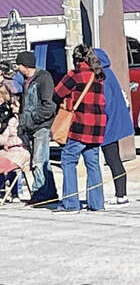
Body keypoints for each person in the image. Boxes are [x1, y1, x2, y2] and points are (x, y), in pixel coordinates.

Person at [53, 44, 106, 212]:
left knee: (68, 160)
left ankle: (70, 203)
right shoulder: (98, 76)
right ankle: (97, 203)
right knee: (93, 163)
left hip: (79, 125)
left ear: (75, 59)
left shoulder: (75, 76)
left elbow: (57, 94)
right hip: (97, 127)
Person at [14, 50, 56, 204]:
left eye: (19, 64)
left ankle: (40, 194)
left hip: (41, 127)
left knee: (39, 161)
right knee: (42, 162)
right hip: (30, 127)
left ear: (26, 65)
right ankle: (50, 192)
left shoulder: (43, 79)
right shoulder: (26, 81)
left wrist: (32, 118)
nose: (17, 68)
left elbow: (49, 106)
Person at [95, 48, 134, 207]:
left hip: (109, 123)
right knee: (114, 158)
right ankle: (121, 193)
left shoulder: (103, 76)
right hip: (116, 121)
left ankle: (121, 194)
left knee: (113, 159)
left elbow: (106, 101)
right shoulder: (109, 73)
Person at [0, 83, 32, 203]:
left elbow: (24, 139)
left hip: (20, 152)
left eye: (15, 105)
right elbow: (5, 136)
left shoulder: (26, 121)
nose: (12, 108)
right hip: (8, 151)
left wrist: (9, 142)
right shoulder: (12, 120)